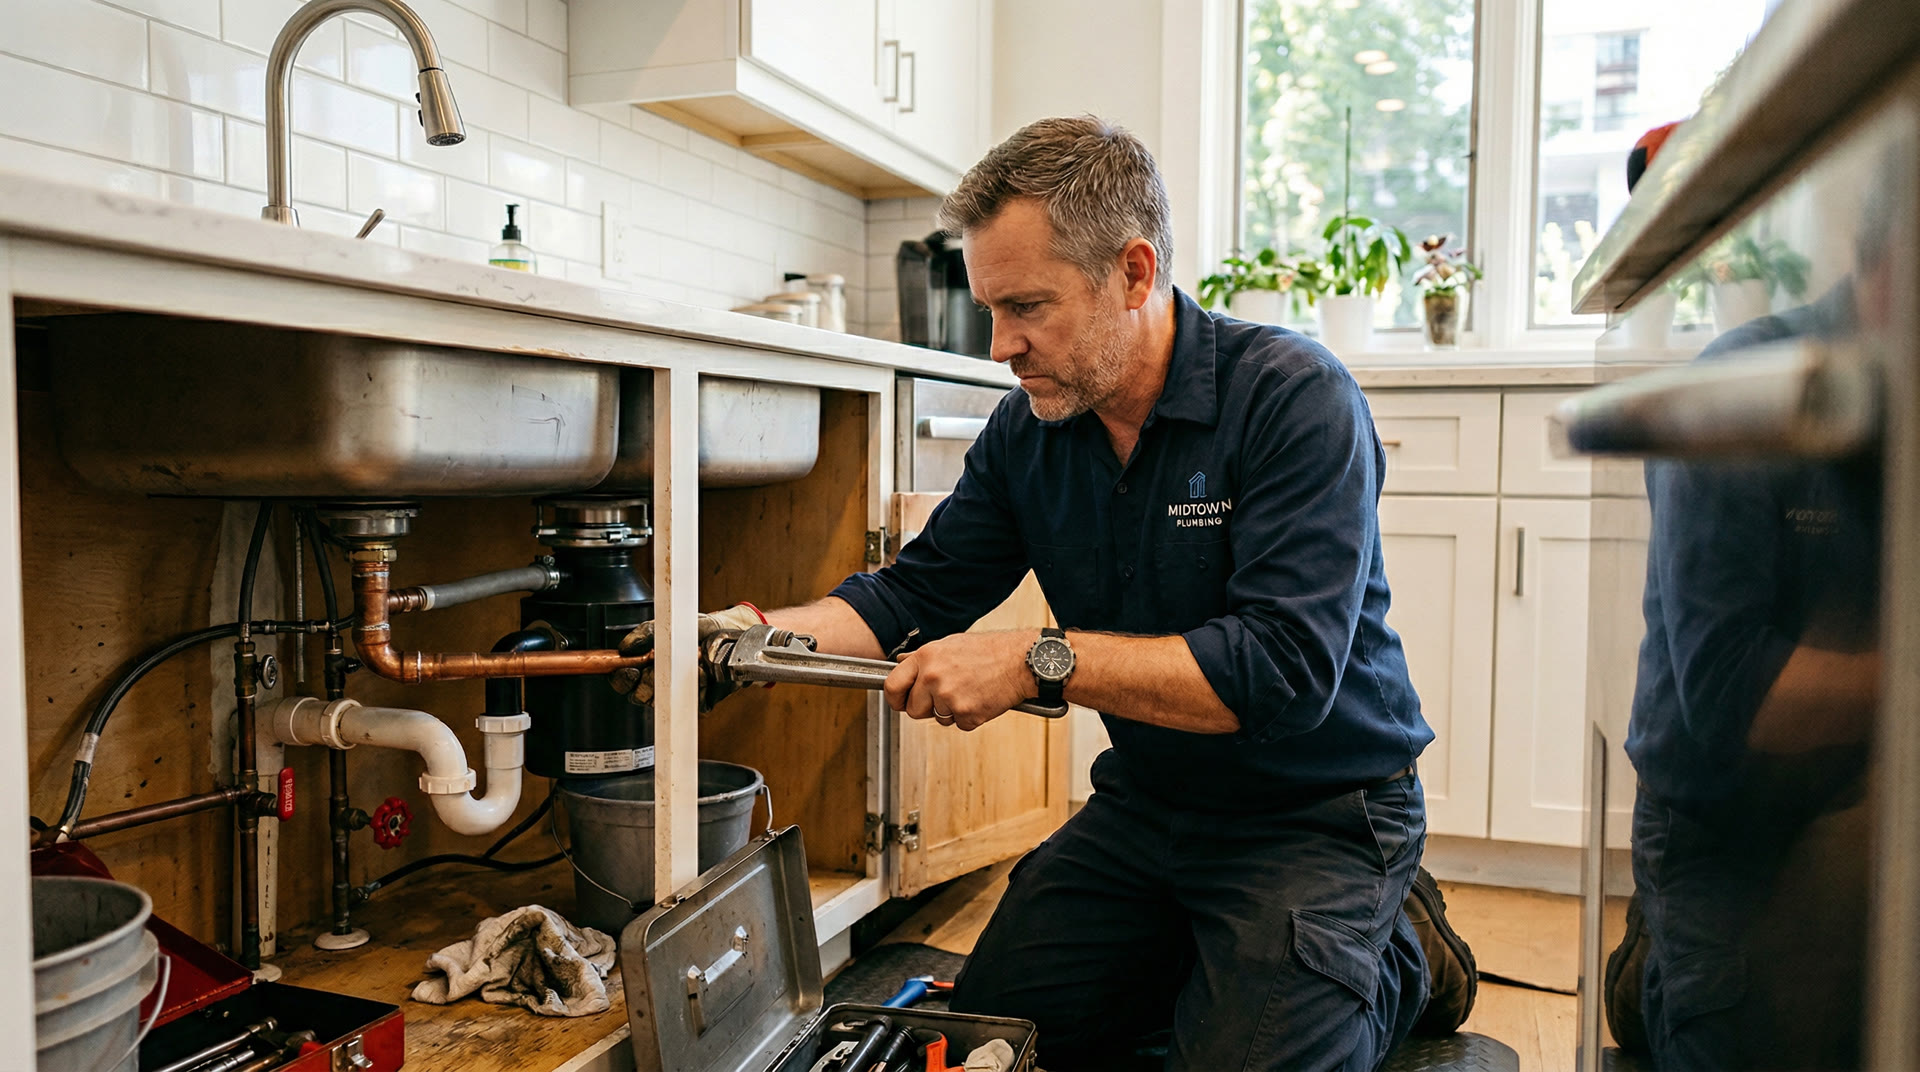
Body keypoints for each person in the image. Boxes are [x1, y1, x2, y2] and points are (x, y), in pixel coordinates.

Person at [614, 116, 1476, 1072]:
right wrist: (757, 633)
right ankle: (1237, 960)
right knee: (999, 1032)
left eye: (1026, 306)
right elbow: (913, 592)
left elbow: (1281, 670)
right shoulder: (1032, 432)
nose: (999, 346)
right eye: (991, 308)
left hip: (1318, 811)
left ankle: (1396, 951)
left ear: (1135, 274)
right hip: (1151, 804)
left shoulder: (1292, 398)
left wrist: (1034, 661)